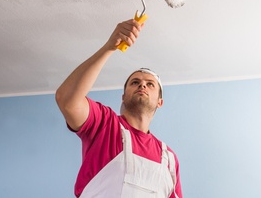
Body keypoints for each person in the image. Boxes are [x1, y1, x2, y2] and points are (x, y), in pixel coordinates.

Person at [56, 19, 182, 197]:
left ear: (160, 102)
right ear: (123, 96)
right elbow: (67, 99)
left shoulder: (169, 159)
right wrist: (109, 47)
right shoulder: (105, 124)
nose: (142, 86)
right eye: (135, 82)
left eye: (150, 84)